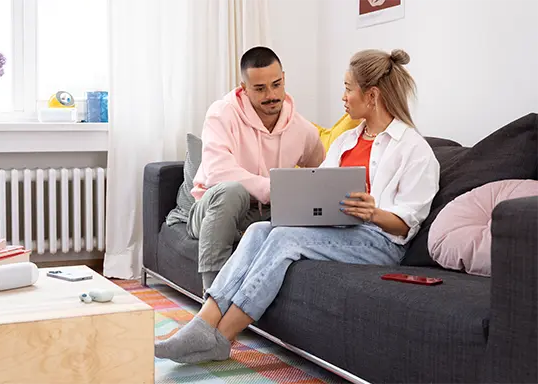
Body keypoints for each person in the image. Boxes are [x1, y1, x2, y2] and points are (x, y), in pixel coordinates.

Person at [155, 48, 440, 364]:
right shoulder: (346, 143)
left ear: (371, 95)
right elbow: (322, 192)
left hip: (381, 242)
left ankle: (222, 337)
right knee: (260, 230)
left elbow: (407, 224)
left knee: (284, 237)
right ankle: (203, 324)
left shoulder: (414, 149)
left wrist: (373, 212)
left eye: (348, 88)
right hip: (341, 230)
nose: (343, 97)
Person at [185, 47, 325, 291]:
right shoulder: (221, 113)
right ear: (244, 87)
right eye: (260, 89)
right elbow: (218, 172)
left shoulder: (303, 130)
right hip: (212, 210)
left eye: (276, 84)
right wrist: (273, 189)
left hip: (266, 214)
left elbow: (321, 175)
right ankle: (213, 296)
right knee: (232, 191)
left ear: (284, 78)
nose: (271, 95)